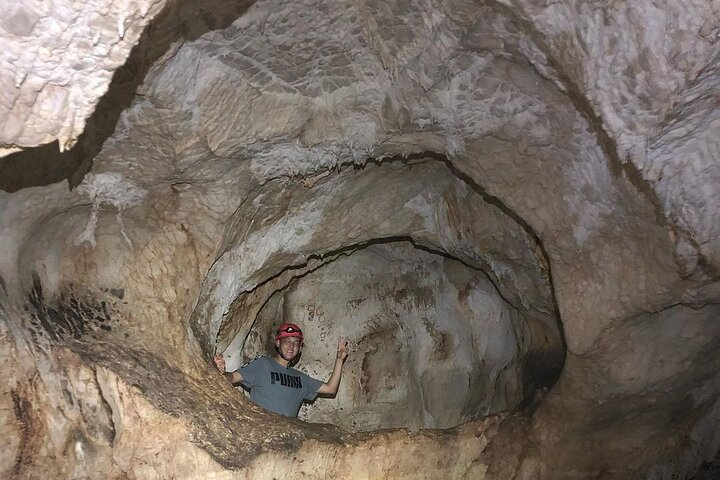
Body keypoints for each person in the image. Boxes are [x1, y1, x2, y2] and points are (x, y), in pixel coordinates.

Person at [213, 322, 349, 418]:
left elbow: (331, 389)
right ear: (278, 343)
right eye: (287, 341)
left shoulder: (300, 378)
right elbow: (232, 378)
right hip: (260, 430)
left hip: (287, 440)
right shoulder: (263, 364)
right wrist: (219, 372)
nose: (291, 346)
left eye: (296, 343)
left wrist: (339, 360)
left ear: (300, 348)